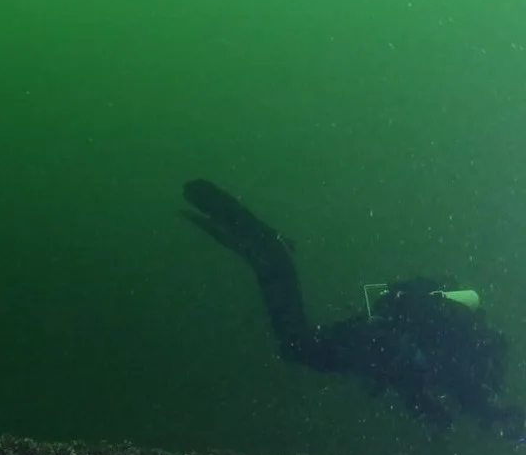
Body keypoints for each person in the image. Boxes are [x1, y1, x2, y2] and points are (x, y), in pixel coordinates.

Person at [181, 178, 522, 436]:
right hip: (377, 342)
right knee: (299, 345)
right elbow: (429, 378)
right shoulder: (475, 361)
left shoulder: (468, 353)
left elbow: (417, 376)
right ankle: (274, 256)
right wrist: (436, 411)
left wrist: (429, 410)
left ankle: (268, 255)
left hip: (376, 339)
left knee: (298, 345)